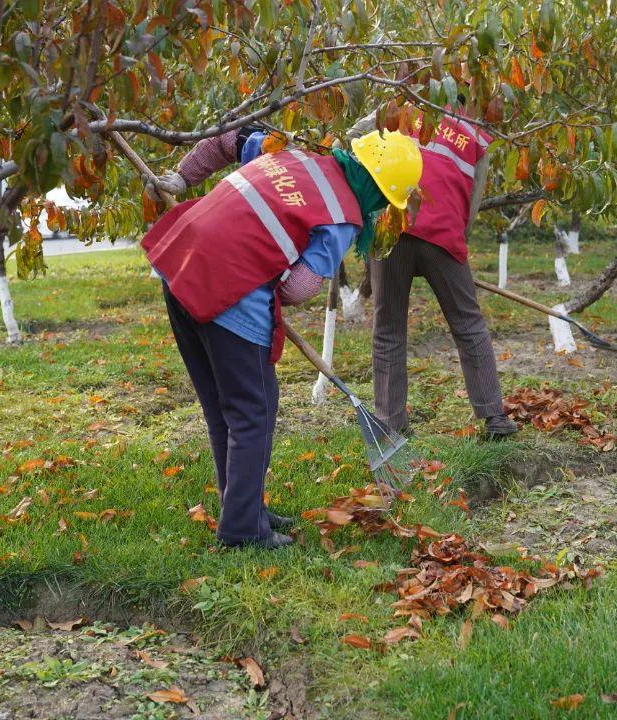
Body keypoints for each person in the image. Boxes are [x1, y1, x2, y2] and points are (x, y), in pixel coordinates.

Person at [141, 128, 422, 549]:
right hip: (227, 289)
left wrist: (182, 178)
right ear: (379, 192)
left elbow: (229, 141)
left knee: (226, 408)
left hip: (179, 263)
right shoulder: (343, 216)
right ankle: (242, 532)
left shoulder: (294, 156)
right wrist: (274, 270)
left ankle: (244, 507)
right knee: (254, 410)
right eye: (384, 202)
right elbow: (297, 289)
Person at [346, 110, 517, 440]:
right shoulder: (475, 134)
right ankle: (494, 417)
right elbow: (474, 199)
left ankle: (390, 420)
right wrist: (454, 242)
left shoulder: (397, 107)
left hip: (391, 226)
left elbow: (352, 136)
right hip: (443, 233)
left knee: (388, 328)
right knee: (468, 324)